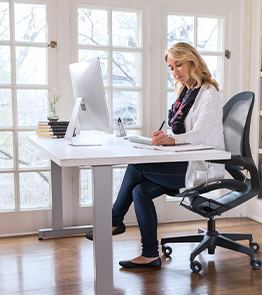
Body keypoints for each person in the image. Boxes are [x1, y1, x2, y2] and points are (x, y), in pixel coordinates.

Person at [87, 42, 225, 269]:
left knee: (137, 167)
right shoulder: (186, 94)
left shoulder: (209, 94)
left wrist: (171, 140)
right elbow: (184, 133)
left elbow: (199, 135)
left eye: (178, 64)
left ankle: (113, 221)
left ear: (193, 61)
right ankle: (150, 255)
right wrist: (165, 139)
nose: (175, 72)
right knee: (139, 191)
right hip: (185, 160)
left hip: (203, 166)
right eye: (171, 68)